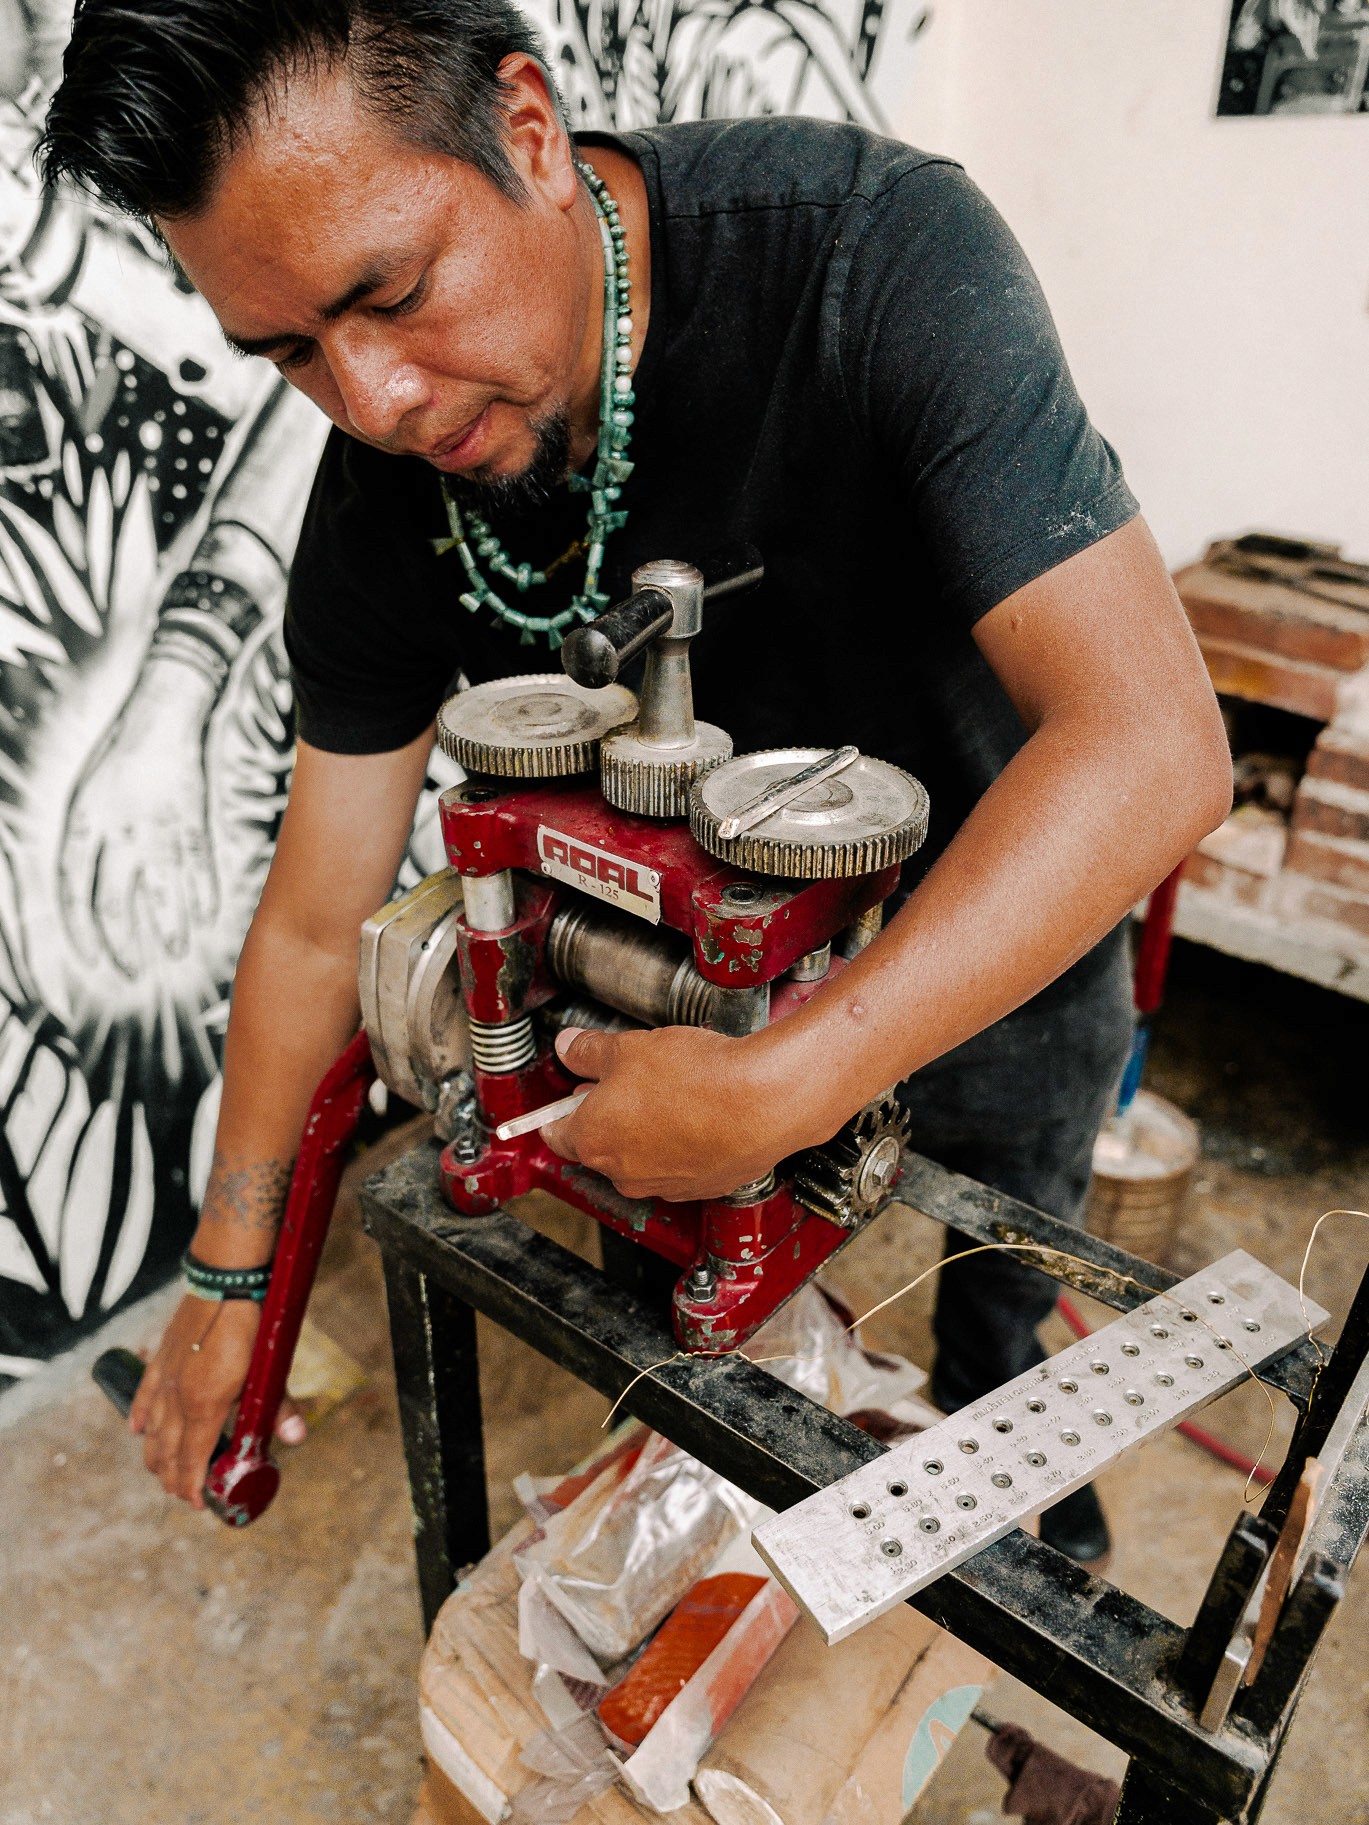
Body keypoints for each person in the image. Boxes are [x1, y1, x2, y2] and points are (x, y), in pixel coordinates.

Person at [40, 0, 1232, 1562]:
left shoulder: (871, 257)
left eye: (388, 293)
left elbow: (1152, 745)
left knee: (989, 1354)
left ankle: (1040, 1576)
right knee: (693, 1389)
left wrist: (792, 1085)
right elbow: (323, 920)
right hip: (650, 1048)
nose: (373, 401)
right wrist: (227, 1266)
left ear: (526, 129)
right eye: (286, 354)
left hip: (995, 953)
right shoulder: (381, 498)